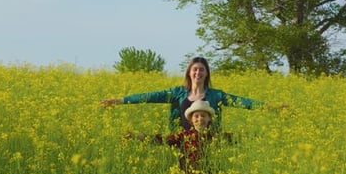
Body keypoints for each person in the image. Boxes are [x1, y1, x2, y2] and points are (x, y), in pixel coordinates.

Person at [101, 56, 270, 132]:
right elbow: (148, 97)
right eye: (195, 69)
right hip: (180, 144)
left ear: (207, 73)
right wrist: (120, 100)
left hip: (209, 145)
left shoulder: (216, 96)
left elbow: (243, 102)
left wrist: (270, 108)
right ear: (189, 72)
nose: (198, 73)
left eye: (202, 70)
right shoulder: (177, 93)